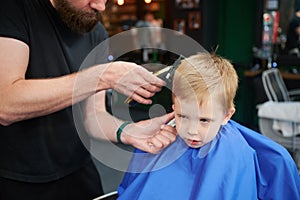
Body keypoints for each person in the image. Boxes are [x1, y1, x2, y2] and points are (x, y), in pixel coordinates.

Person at [0, 0, 177, 199]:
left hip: (78, 172)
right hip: (18, 180)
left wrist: (128, 131)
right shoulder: (14, 10)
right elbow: (6, 104)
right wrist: (102, 77)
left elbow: (93, 116)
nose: (100, 7)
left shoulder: (95, 31)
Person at [118, 52, 300, 199]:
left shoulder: (233, 153)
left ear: (227, 115)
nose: (191, 130)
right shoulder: (160, 140)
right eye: (182, 116)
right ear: (174, 108)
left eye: (204, 120)